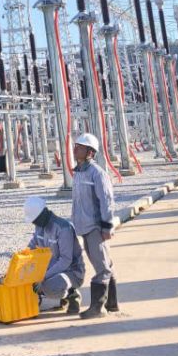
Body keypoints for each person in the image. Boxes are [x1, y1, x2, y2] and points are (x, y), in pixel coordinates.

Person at [71, 133, 118, 318]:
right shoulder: (78, 173)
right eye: (76, 146)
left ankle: (98, 308)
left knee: (102, 266)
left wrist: (107, 227)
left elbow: (107, 201)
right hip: (84, 226)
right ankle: (112, 303)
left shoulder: (97, 173)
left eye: (80, 147)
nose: (75, 149)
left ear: (90, 152)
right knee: (104, 262)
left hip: (95, 227)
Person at [24, 194, 84, 314]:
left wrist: (43, 277)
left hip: (71, 272)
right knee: (26, 280)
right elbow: (32, 247)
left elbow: (65, 260)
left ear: (43, 213)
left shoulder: (63, 228)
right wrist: (20, 262)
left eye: (35, 220)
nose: (34, 223)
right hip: (50, 270)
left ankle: (72, 294)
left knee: (47, 286)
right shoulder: (40, 226)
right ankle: (57, 298)